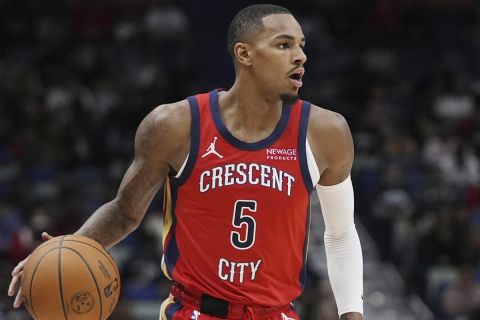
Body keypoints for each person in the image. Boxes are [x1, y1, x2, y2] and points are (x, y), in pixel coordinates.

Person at [8, 4, 363, 320]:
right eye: (284, 45)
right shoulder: (175, 125)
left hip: (276, 313)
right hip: (193, 312)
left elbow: (341, 234)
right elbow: (125, 212)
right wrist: (64, 251)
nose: (300, 55)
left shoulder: (325, 132)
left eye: (302, 45)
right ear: (245, 54)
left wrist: (352, 312)